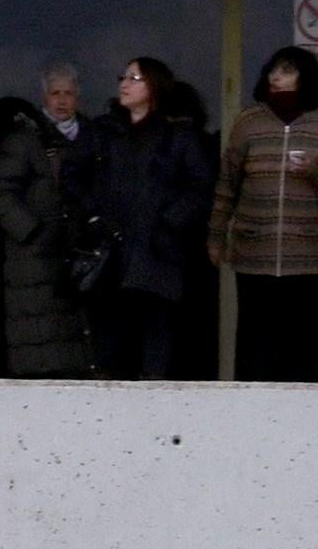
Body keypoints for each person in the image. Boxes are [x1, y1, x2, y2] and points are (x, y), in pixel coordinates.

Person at [65, 54, 214, 381]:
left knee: (156, 351)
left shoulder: (177, 136)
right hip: (110, 258)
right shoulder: (101, 131)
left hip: (157, 258)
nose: (124, 83)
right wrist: (92, 217)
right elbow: (72, 175)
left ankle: (153, 423)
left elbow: (201, 187)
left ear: (155, 87)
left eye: (135, 78)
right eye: (123, 77)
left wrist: (170, 222)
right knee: (109, 353)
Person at [215, 47, 318, 384]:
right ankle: (250, 417)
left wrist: (317, 169)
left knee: (302, 349)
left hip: (307, 256)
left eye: (286, 70)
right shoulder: (250, 120)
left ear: (305, 75)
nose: (276, 77)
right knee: (254, 348)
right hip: (254, 253)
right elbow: (227, 182)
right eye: (272, 70)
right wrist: (215, 233)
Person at [0, 64, 87, 378]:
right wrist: (33, 232)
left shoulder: (91, 137)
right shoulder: (24, 141)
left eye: (68, 93)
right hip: (34, 262)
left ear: (78, 97)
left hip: (79, 255)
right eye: (56, 93)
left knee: (77, 351)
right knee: (41, 350)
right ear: (44, 97)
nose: (62, 100)